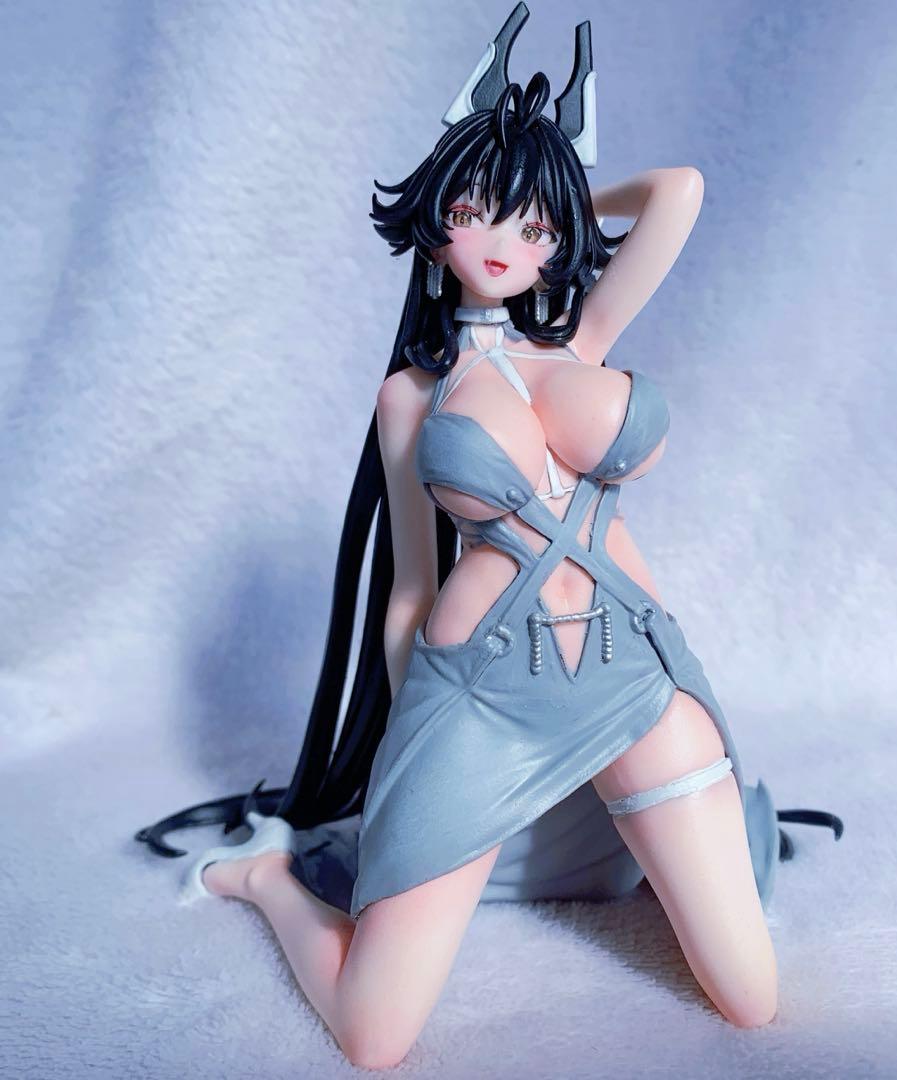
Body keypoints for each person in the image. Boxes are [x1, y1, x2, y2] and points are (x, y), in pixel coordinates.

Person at [136, 6, 842, 1068]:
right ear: (436, 220)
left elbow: (681, 192)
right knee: (374, 1035)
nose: (504, 245)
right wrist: (405, 743)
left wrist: (554, 189)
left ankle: (609, 856)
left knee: (751, 999)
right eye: (476, 213)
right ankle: (269, 880)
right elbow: (411, 588)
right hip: (478, 696)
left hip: (634, 675)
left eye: (532, 227)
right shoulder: (414, 397)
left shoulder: (584, 339)